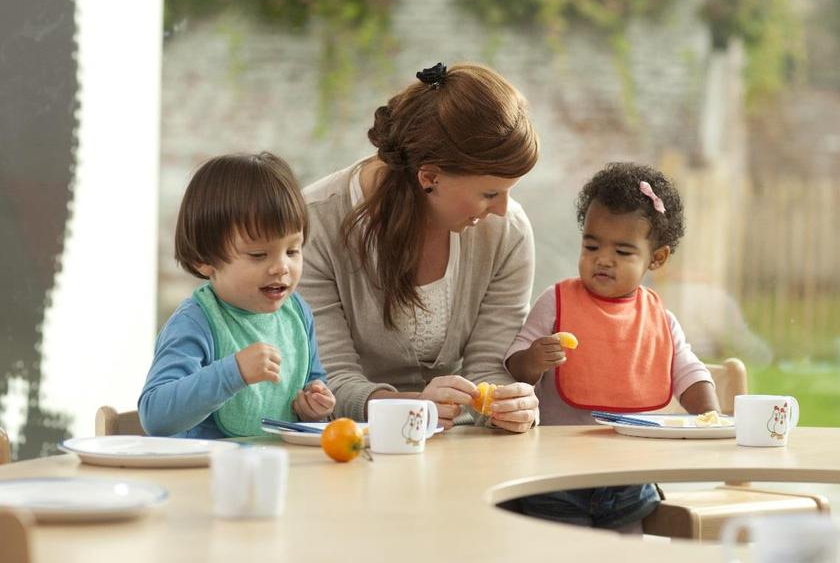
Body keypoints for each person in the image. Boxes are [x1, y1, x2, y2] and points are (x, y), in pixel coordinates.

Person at [299, 62, 539, 431]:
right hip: (346, 449)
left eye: (508, 191)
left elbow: (489, 369)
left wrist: (510, 403)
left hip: (456, 452)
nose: (502, 209)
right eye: (490, 193)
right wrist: (409, 408)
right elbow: (329, 382)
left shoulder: (508, 232)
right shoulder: (314, 224)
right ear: (429, 177)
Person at [505, 161, 721, 531]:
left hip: (629, 476)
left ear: (657, 258)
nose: (603, 259)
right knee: (561, 556)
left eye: (622, 252)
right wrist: (534, 359)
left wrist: (714, 418)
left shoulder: (660, 318)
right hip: (556, 475)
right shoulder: (555, 303)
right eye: (592, 245)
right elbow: (515, 367)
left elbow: (688, 373)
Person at [139, 152, 335, 438]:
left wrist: (314, 406)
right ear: (203, 260)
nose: (282, 267)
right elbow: (155, 416)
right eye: (258, 255)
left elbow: (311, 379)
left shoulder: (296, 313)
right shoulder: (196, 322)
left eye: (293, 250)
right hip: (205, 475)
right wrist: (233, 372)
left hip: (278, 472)